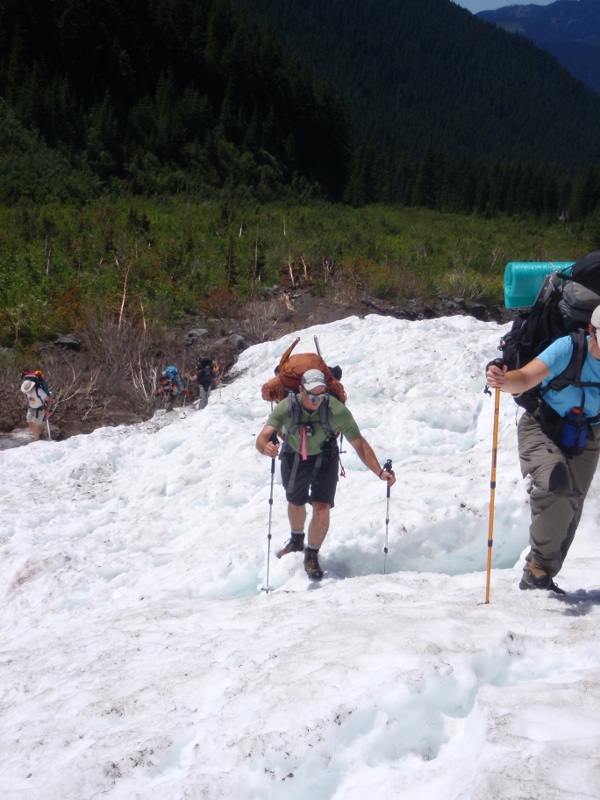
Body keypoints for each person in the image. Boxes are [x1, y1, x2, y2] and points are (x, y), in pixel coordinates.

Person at [485, 305, 600, 594]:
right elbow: (524, 378)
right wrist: (503, 380)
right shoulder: (568, 348)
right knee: (556, 484)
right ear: (591, 331)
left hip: (588, 433)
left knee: (572, 505)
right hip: (542, 425)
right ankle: (539, 568)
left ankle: (540, 574)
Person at [256, 368, 396, 580]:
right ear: (301, 390)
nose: (316, 400)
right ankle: (296, 539)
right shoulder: (287, 407)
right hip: (294, 456)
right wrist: (265, 447)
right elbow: (262, 437)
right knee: (295, 501)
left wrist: (379, 472)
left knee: (322, 508)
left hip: (325, 457)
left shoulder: (336, 410)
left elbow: (359, 443)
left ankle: (311, 554)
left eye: (321, 395)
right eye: (312, 395)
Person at [21, 375, 52, 441]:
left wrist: (47, 411)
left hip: (40, 409)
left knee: (34, 425)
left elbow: (49, 400)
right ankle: (37, 433)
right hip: (31, 409)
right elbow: (24, 393)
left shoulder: (39, 391)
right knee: (30, 425)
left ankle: (36, 440)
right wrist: (26, 399)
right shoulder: (27, 391)